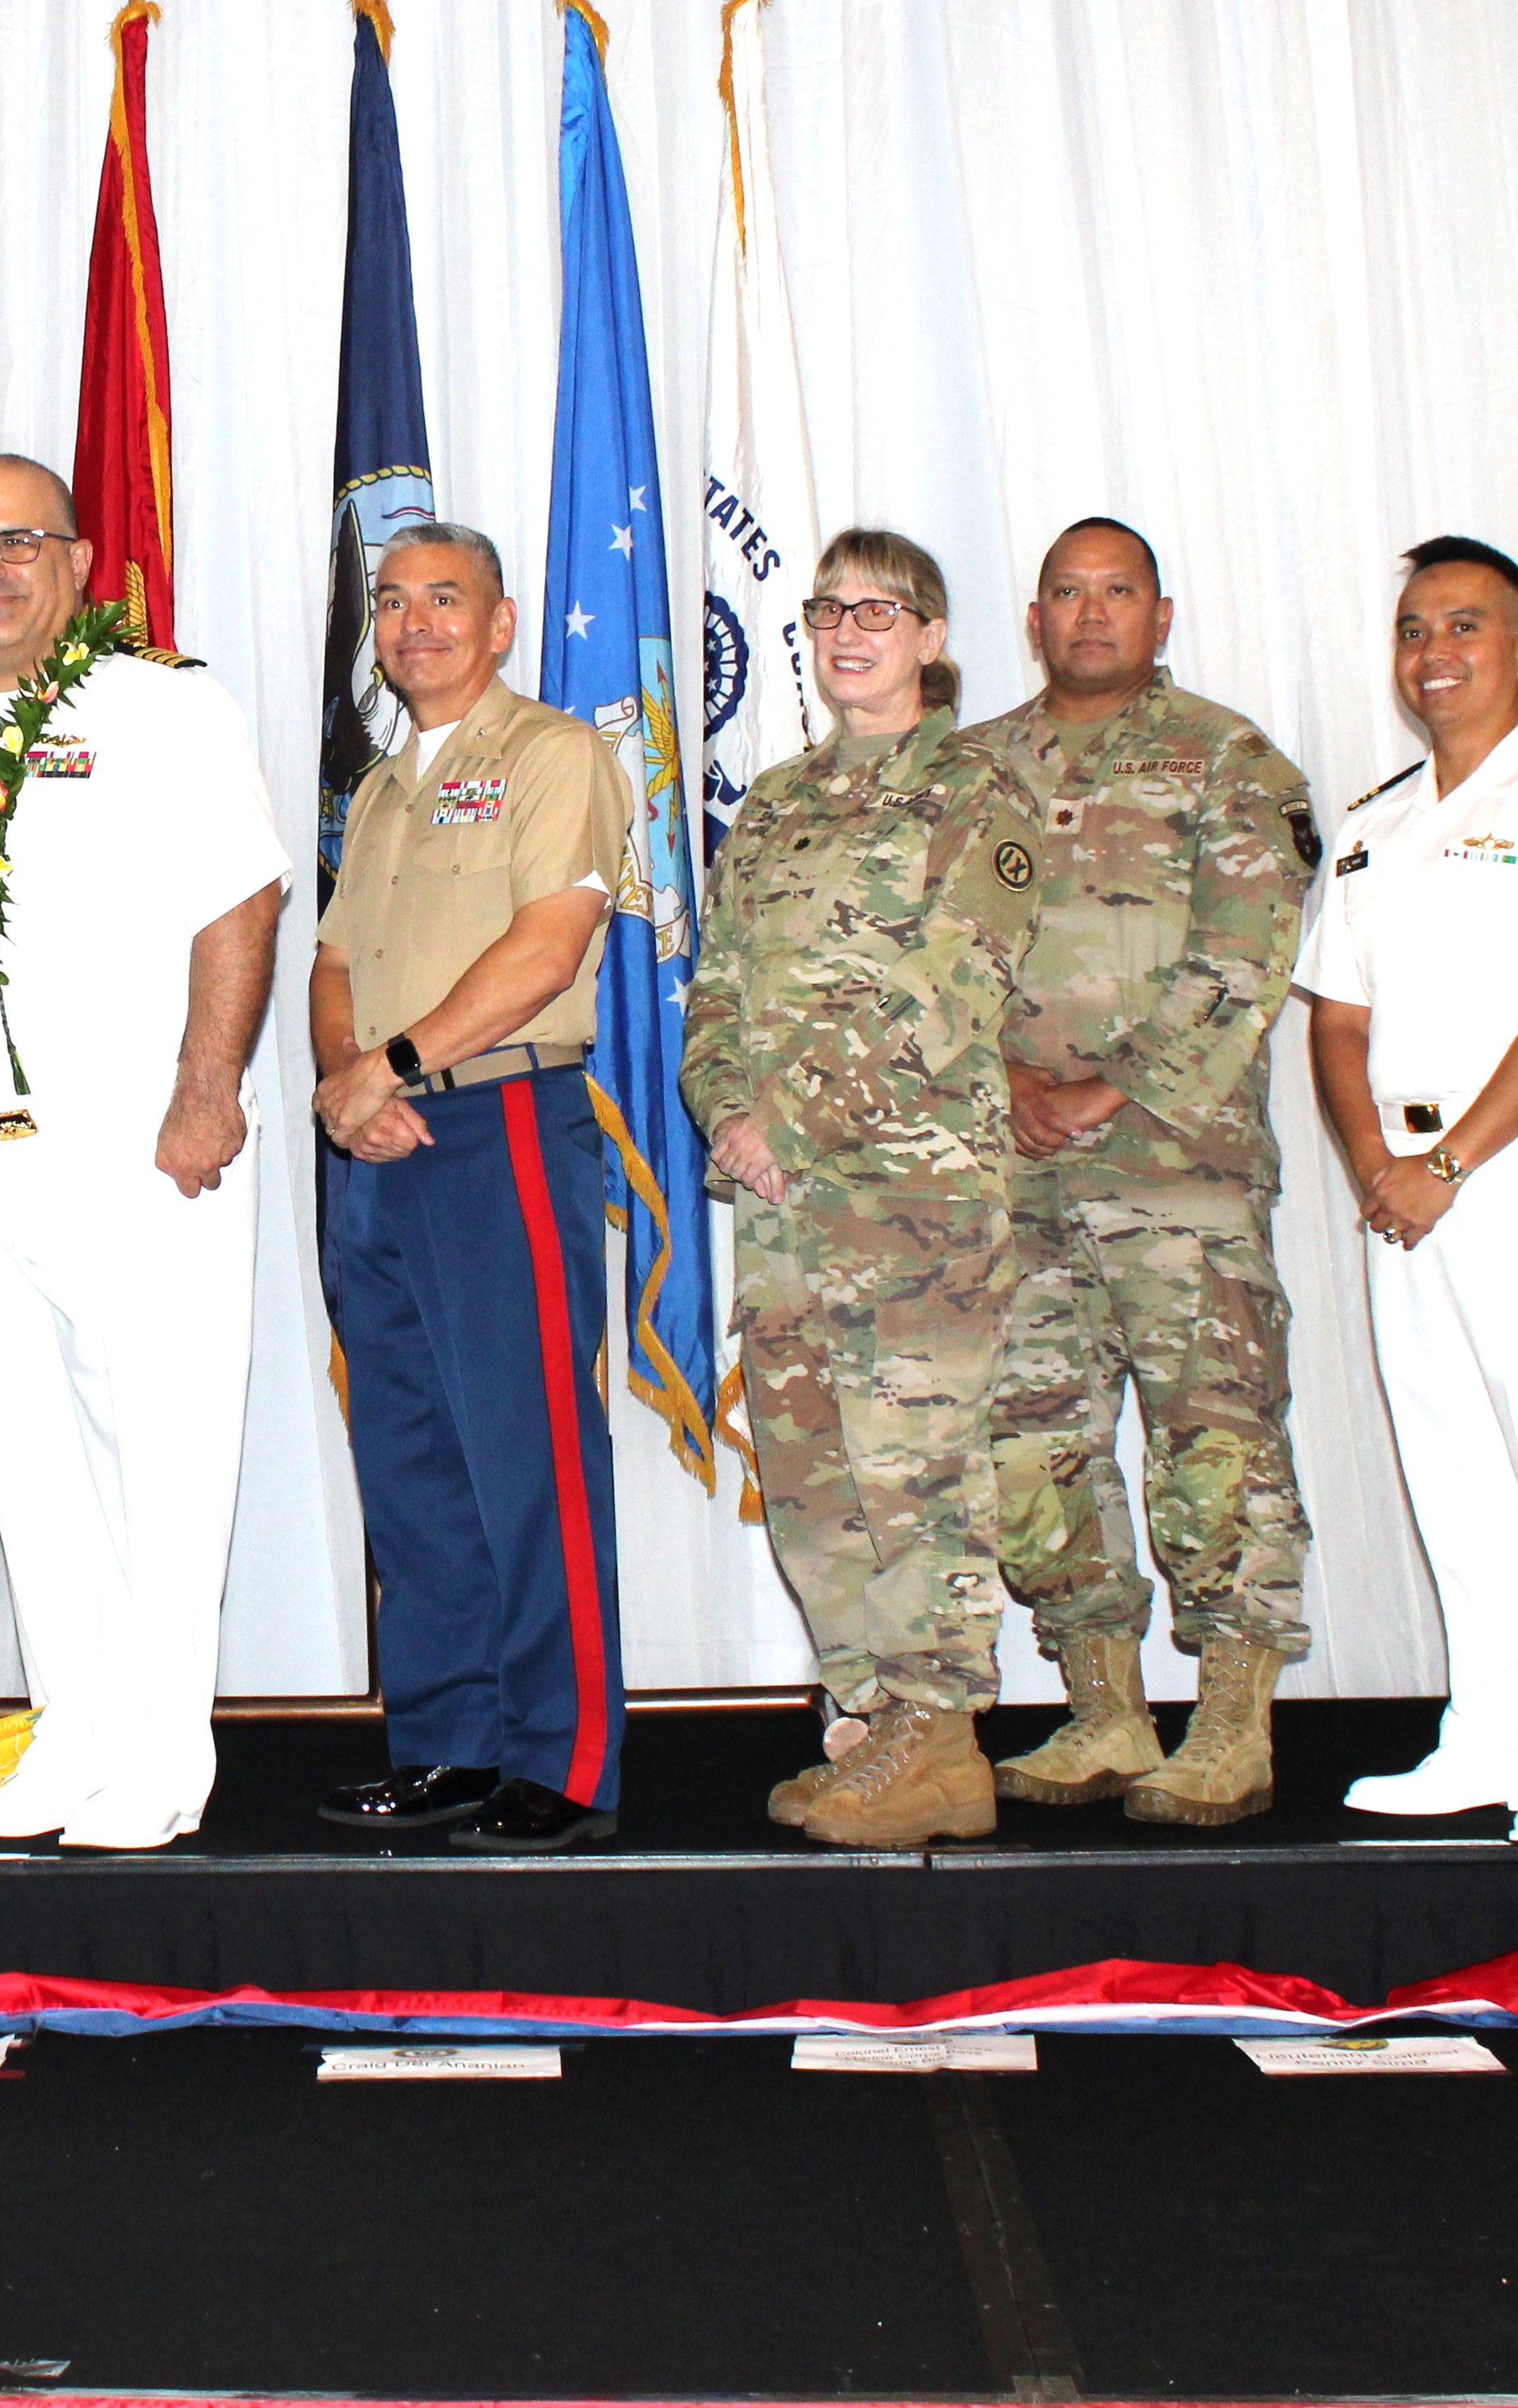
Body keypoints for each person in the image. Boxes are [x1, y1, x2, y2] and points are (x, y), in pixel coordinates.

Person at [0, 455, 285, 1849]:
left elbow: (242, 896)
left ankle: (162, 1765)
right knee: (38, 1473)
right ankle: (74, 1740)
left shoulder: (157, 705)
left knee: (157, 1461)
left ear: (78, 559)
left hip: (137, 1146)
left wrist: (206, 1087)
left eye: (18, 542)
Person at [1290, 536, 1518, 1846]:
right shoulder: (1373, 825)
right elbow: (1338, 1018)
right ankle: (1493, 1733)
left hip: (1517, 1177)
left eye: (1463, 626)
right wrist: (1379, 1167)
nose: (1433, 654)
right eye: (1413, 630)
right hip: (1400, 1188)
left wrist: (1446, 1165)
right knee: (1454, 1470)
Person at [962, 522, 1321, 1831]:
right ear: (1035, 617)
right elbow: (929, 958)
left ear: (1161, 615)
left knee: (1214, 1442)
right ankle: (1104, 1709)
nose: (1092, 614)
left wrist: (1104, 1089)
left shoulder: (1229, 760)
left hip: (1179, 1170)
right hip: (1016, 1174)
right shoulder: (969, 770)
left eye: (1118, 592)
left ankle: (1233, 1726)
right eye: (1068, 592)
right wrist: (1006, 1082)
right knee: (1034, 1446)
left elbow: (1246, 956)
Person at [685, 531, 1040, 1846]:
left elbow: (952, 988)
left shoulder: (981, 792)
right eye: (828, 609)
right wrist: (730, 1110)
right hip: (784, 1208)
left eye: (878, 611)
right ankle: (877, 1723)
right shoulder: (778, 803)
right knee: (815, 1474)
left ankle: (944, 1744)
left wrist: (790, 1121)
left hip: (911, 1204)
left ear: (931, 638)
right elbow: (718, 982)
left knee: (913, 1471)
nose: (848, 632)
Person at [303, 523, 633, 1854]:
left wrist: (389, 1067)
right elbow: (333, 962)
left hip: (501, 1126)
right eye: (393, 603)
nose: (416, 623)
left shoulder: (555, 755)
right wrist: (352, 1081)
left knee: (528, 1454)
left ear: (501, 623)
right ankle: (450, 1743)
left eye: (447, 599)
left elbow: (549, 947)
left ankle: (563, 1761)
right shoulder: (385, 787)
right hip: (379, 1146)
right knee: (412, 1461)